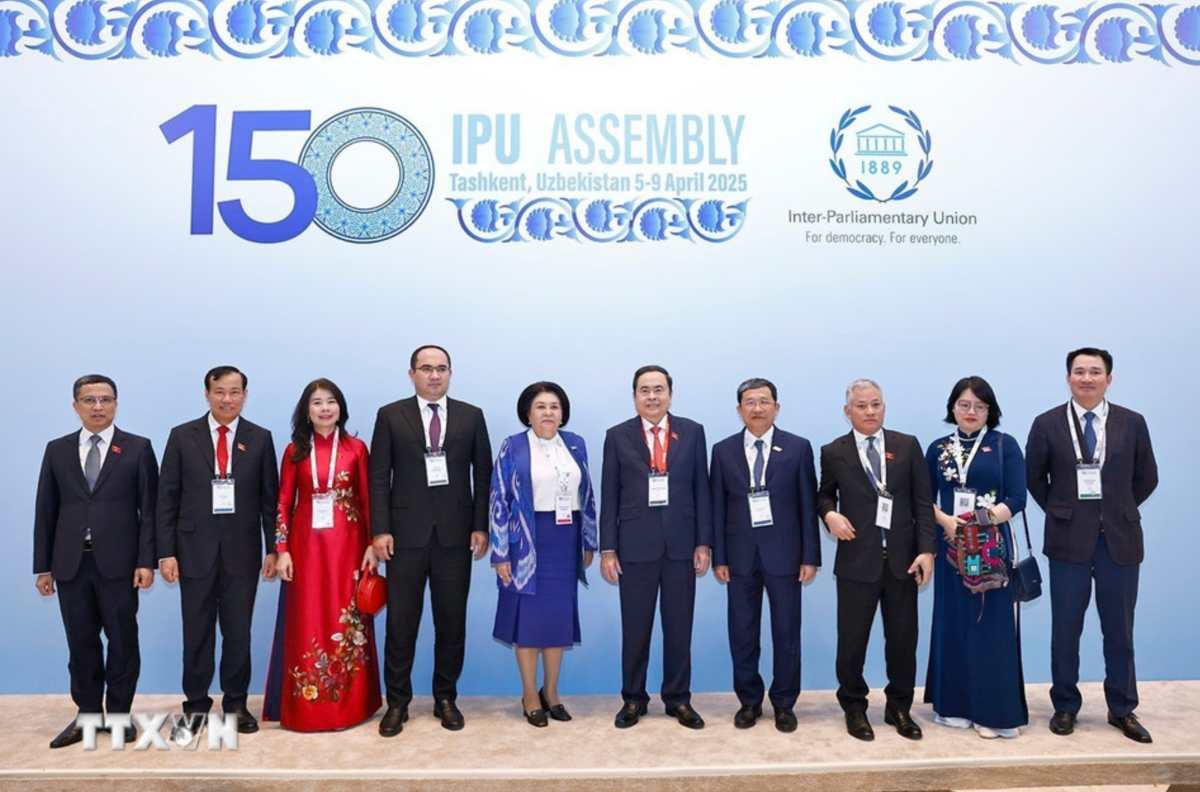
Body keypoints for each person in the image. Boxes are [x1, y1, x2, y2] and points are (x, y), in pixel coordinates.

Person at [1026, 347, 1158, 743]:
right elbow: (1035, 479)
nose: (1087, 378)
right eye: (1079, 371)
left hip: (1119, 541)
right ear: (1068, 378)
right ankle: (1065, 706)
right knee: (1066, 628)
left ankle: (1122, 709)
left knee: (1119, 629)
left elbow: (1147, 477)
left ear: (1109, 379)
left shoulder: (1132, 423)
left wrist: (1115, 509)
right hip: (1068, 543)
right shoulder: (1047, 423)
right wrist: (1065, 511)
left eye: (1095, 372)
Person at [369, 345, 493, 736]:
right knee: (401, 625)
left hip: (456, 538)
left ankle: (445, 698)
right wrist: (380, 530)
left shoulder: (472, 416)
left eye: (441, 369)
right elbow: (378, 477)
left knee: (451, 623)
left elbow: (483, 475)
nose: (434, 375)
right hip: (403, 538)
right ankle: (398, 703)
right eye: (426, 368)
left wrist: (480, 526)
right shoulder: (390, 415)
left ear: (450, 373)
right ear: (412, 374)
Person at [34, 375, 158, 748]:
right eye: (89, 400)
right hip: (71, 565)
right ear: (76, 406)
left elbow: (149, 511)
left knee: (123, 641)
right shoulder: (56, 450)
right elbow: (46, 510)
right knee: (81, 643)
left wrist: (146, 561)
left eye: (105, 399)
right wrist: (44, 566)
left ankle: (119, 716)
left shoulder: (137, 448)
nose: (98, 406)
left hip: (120, 565)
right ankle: (87, 716)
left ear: (116, 403)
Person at [157, 365, 279, 741]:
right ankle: (195, 705)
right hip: (192, 551)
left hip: (241, 553)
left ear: (245, 394)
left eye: (235, 392)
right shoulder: (182, 436)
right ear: (207, 394)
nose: (228, 399)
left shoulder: (259, 438)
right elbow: (167, 499)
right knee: (196, 632)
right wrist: (166, 553)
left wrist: (273, 549)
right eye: (220, 392)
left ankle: (236, 703)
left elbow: (269, 501)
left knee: (238, 632)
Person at [818, 378, 935, 742]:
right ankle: (854, 707)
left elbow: (922, 502)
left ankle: (899, 706)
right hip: (856, 562)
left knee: (903, 640)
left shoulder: (907, 445)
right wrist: (829, 515)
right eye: (862, 405)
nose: (870, 412)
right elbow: (823, 496)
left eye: (876, 404)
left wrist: (927, 550)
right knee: (851, 642)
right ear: (847, 410)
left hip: (903, 562)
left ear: (884, 406)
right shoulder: (833, 451)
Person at [262, 379, 382, 731]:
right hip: (305, 552)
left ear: (341, 407)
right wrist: (281, 550)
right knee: (307, 619)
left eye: (331, 402)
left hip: (348, 551)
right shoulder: (294, 451)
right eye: (317, 403)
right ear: (306, 410)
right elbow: (283, 503)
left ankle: (351, 707)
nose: (325, 408)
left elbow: (367, 500)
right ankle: (307, 707)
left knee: (348, 622)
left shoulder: (357, 448)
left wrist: (372, 546)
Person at [600, 364, 712, 730]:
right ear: (635, 396)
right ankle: (633, 699)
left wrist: (703, 542)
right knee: (636, 629)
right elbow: (610, 495)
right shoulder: (617, 436)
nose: (652, 396)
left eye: (659, 389)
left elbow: (701, 491)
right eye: (645, 390)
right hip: (634, 547)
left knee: (680, 628)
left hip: (681, 546)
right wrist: (607, 549)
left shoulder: (693, 433)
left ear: (670, 394)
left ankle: (678, 699)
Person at [709, 378, 819, 733]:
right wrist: (719, 557)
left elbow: (807, 504)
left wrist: (810, 556)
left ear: (777, 407)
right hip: (738, 557)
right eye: (749, 402)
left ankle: (784, 703)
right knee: (742, 632)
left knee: (787, 631)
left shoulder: (798, 448)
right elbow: (717, 508)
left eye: (764, 401)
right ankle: (749, 701)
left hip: (786, 556)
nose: (757, 408)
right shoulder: (722, 451)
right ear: (739, 409)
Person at [924, 376, 1028, 739]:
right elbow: (923, 497)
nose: (971, 412)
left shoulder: (1005, 445)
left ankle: (995, 714)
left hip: (990, 548)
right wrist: (947, 522)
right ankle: (953, 707)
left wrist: (979, 521)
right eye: (964, 405)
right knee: (952, 622)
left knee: (991, 626)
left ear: (990, 410)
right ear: (952, 407)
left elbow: (1017, 498)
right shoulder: (937, 448)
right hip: (951, 546)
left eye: (979, 406)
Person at [489, 382, 597, 727]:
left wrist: (589, 541)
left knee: (557, 621)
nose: (548, 412)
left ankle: (551, 692)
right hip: (526, 544)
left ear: (562, 413)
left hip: (565, 541)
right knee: (529, 624)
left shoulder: (576, 444)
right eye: (540, 406)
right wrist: (501, 552)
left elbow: (588, 494)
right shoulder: (513, 446)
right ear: (528, 412)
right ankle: (529, 694)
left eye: (554, 406)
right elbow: (499, 499)